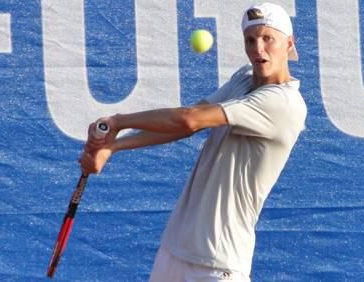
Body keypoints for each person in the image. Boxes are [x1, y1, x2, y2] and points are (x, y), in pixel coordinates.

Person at [80, 3, 306, 281]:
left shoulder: (283, 102)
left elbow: (189, 119)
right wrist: (112, 146)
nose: (258, 49)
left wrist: (118, 121)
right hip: (174, 251)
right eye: (250, 40)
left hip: (219, 263)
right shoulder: (243, 80)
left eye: (267, 38)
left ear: (288, 43)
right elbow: (183, 128)